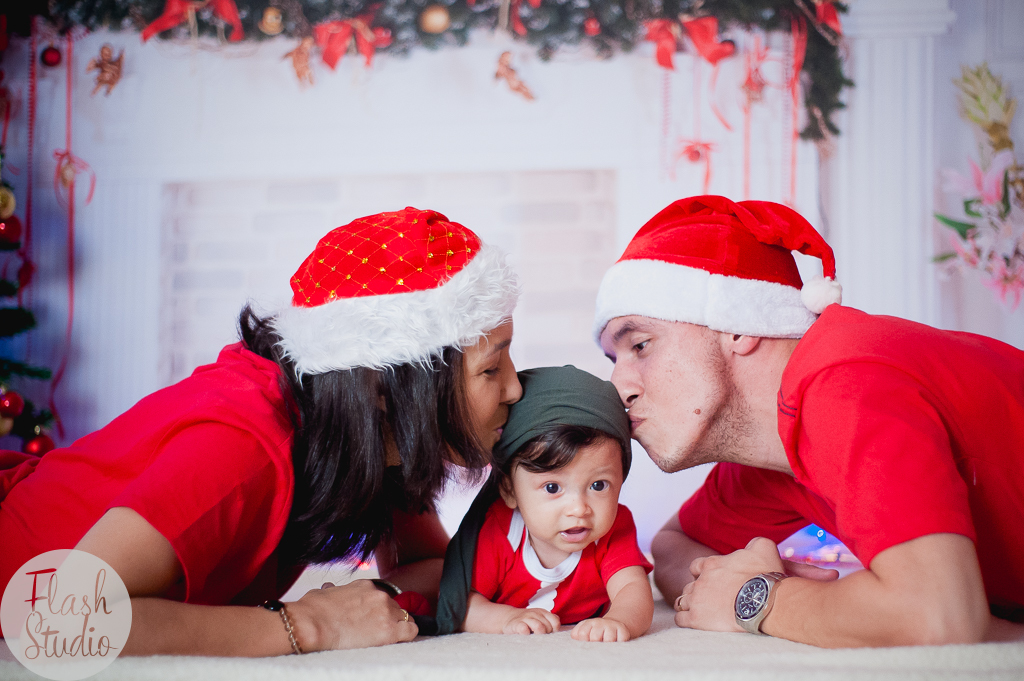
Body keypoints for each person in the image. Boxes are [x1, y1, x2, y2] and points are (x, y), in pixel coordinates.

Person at [0, 207, 524, 656]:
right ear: (388, 388)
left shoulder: (362, 433)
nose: (515, 390)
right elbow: (59, 620)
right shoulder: (242, 444)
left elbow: (433, 566)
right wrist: (311, 624)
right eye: (490, 368)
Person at [592, 195, 1024, 648]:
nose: (619, 386)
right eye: (613, 357)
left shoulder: (843, 382)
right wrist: (832, 605)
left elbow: (940, 619)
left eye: (640, 345)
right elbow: (673, 548)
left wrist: (757, 598)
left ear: (738, 327)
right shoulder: (766, 452)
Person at [425, 366, 653, 642]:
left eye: (598, 485)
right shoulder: (500, 530)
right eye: (553, 487)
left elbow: (632, 589)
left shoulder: (614, 527)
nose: (579, 509)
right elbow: (462, 604)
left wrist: (621, 621)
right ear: (509, 489)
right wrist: (508, 618)